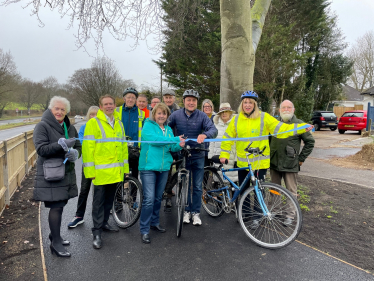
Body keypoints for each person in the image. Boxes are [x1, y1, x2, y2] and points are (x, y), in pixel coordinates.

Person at [219, 91, 313, 229]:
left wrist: (300, 128)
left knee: (258, 191)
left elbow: (282, 129)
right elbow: (227, 138)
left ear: (255, 105)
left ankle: (257, 217)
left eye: (250, 102)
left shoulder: (264, 117)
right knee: (243, 190)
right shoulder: (236, 119)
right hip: (243, 163)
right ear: (242, 104)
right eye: (245, 102)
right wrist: (224, 154)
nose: (247, 105)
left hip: (259, 163)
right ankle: (244, 214)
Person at [33, 96, 81, 258]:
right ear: (50, 109)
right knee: (56, 207)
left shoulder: (69, 127)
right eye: (57, 109)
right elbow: (41, 149)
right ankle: (55, 244)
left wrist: (76, 153)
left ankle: (56, 236)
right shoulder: (42, 126)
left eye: (63, 110)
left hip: (65, 173)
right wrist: (59, 146)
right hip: (51, 173)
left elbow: (78, 145)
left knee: (61, 204)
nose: (59, 112)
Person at [83, 95, 129, 249]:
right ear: (101, 107)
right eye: (106, 104)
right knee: (98, 203)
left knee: (109, 201)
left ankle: (104, 224)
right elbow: (88, 149)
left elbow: (123, 149)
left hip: (115, 171)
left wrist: (125, 170)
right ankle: (96, 232)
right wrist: (89, 171)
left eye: (111, 104)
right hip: (100, 172)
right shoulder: (93, 123)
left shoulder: (119, 124)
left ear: (115, 105)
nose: (109, 106)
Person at [168, 89, 218, 225]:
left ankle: (196, 212)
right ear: (183, 101)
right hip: (182, 154)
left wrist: (205, 135)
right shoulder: (175, 115)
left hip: (198, 154)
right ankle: (185, 211)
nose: (191, 102)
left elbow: (214, 130)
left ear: (197, 102)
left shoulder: (202, 116)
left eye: (194, 100)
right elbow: (166, 128)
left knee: (196, 186)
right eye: (188, 100)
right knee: (183, 184)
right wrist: (172, 140)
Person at [138, 103, 185, 243]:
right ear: (154, 114)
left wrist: (179, 144)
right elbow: (155, 141)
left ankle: (154, 222)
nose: (161, 116)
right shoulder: (147, 126)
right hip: (148, 167)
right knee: (149, 199)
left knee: (158, 197)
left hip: (164, 167)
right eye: (159, 113)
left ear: (167, 116)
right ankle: (144, 229)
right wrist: (175, 139)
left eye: (164, 114)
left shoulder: (168, 129)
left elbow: (171, 146)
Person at [270, 99, 315, 225]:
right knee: (274, 189)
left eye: (289, 107)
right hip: (274, 162)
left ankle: (290, 215)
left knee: (291, 191)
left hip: (290, 163)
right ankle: (275, 210)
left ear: (293, 110)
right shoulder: (273, 124)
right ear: (279, 110)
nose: (286, 110)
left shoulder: (300, 124)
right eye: (283, 107)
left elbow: (310, 142)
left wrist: (300, 159)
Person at [67, 106, 99, 228]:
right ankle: (79, 216)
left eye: (96, 114)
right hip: (88, 164)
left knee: (99, 192)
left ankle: (99, 219)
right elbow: (82, 143)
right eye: (91, 114)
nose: (94, 117)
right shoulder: (84, 128)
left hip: (101, 165)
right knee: (84, 190)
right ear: (88, 116)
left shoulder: (103, 128)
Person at [116, 87, 145, 179]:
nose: (130, 99)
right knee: (119, 178)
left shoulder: (141, 113)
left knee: (134, 177)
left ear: (136, 100)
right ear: (124, 98)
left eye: (133, 97)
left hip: (135, 150)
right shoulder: (116, 111)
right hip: (119, 149)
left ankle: (132, 194)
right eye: (128, 97)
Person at [208, 103, 238, 183]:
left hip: (231, 159)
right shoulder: (216, 125)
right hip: (218, 158)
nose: (224, 114)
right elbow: (212, 142)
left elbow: (239, 143)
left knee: (233, 184)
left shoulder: (236, 125)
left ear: (230, 112)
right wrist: (210, 156)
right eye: (222, 112)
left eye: (226, 111)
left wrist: (236, 159)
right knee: (218, 181)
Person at [201, 99, 216, 166]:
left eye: (209, 106)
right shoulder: (200, 117)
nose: (207, 108)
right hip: (203, 147)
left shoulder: (216, 117)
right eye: (205, 106)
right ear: (203, 108)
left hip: (213, 146)